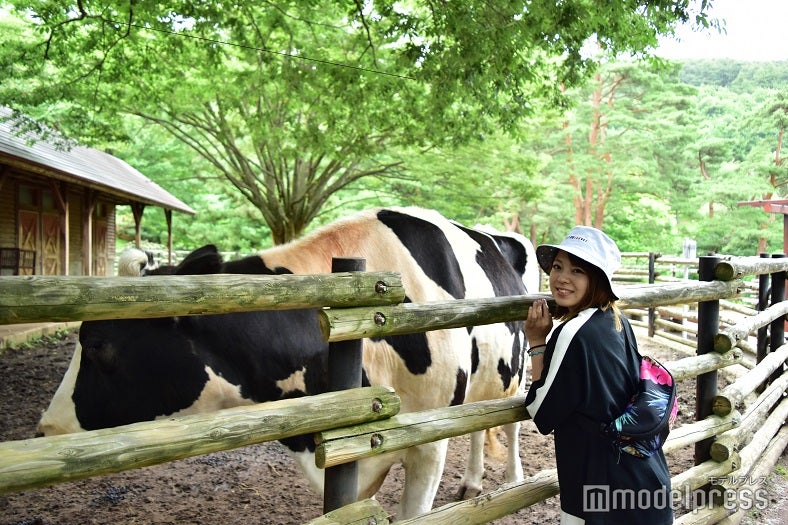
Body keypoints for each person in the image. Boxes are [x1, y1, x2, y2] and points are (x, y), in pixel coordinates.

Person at [524, 226, 673, 525]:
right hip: (645, 478)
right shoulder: (617, 321)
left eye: (577, 270)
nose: (561, 278)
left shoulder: (573, 333)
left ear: (598, 279)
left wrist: (537, 342)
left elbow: (541, 413)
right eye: (557, 266)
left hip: (601, 492)